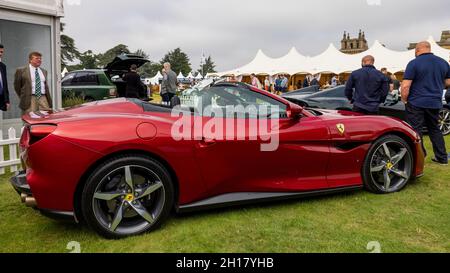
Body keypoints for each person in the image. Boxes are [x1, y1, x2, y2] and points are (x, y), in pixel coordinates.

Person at [401, 41, 450, 165]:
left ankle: (419, 159)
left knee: (415, 130)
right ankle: (442, 158)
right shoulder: (443, 62)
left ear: (417, 50)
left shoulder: (414, 63)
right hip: (435, 102)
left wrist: (404, 99)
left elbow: (406, 86)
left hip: (416, 101)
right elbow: (448, 82)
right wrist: (436, 85)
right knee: (434, 129)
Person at [0, 44, 10, 112]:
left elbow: (5, 85)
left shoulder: (3, 66)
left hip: (1, 99)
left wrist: (7, 100)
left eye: (1, 52)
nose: (0, 54)